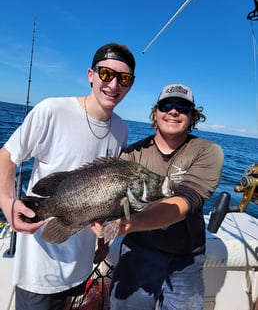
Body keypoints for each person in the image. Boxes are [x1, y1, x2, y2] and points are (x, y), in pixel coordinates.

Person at [0, 42, 136, 310]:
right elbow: (7, 156)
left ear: (130, 84)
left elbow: (104, 194)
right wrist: (7, 202)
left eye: (124, 78)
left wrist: (102, 242)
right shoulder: (52, 110)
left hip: (83, 263)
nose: (113, 85)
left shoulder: (121, 129)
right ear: (90, 74)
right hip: (41, 267)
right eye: (106, 74)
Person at [108, 83, 224, 310]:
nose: (173, 111)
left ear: (193, 117)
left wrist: (130, 223)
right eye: (166, 105)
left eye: (183, 107)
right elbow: (112, 197)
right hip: (138, 250)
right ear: (155, 113)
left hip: (186, 259)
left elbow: (185, 201)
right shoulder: (133, 154)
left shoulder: (207, 151)